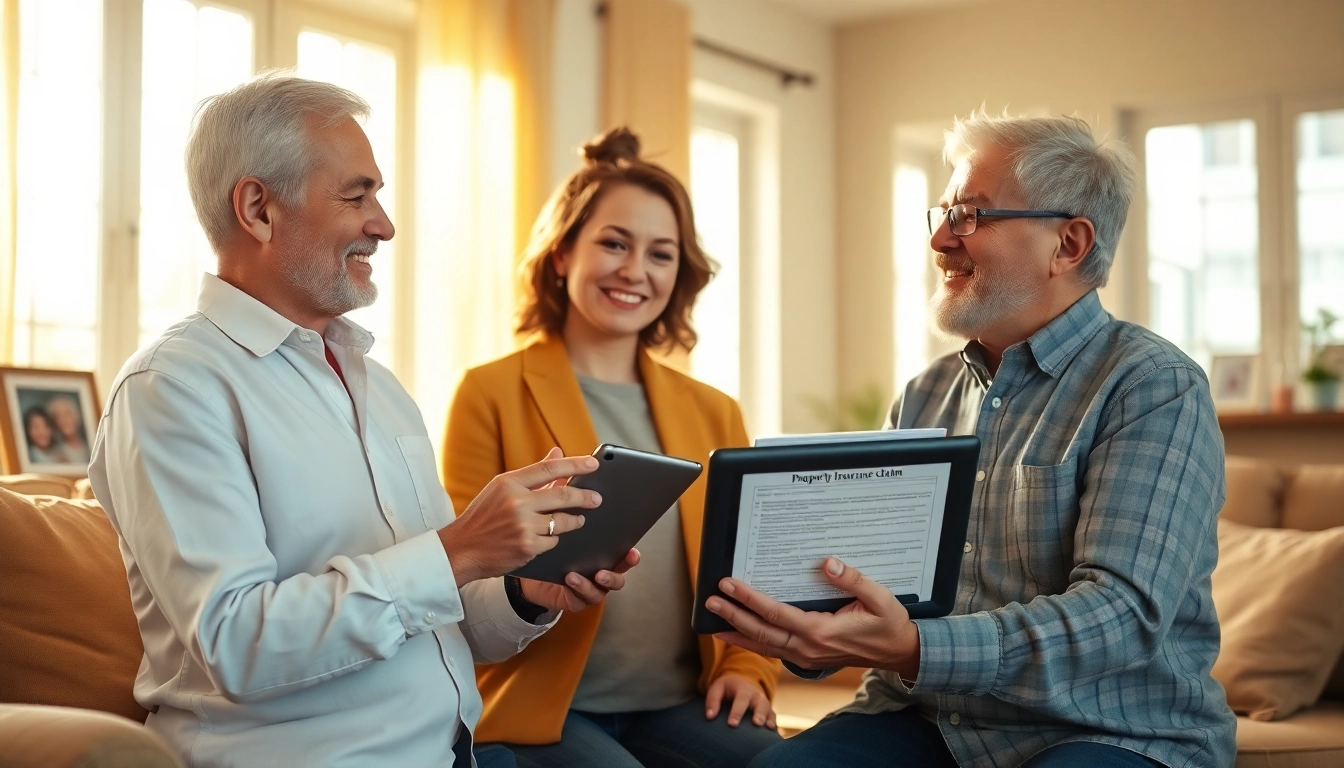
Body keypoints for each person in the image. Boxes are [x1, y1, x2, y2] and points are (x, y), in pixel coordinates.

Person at [87, 73, 637, 768]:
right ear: (258, 208)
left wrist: (529, 594)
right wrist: (458, 548)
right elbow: (238, 643)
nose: (385, 224)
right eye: (358, 195)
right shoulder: (173, 388)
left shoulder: (379, 386)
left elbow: (446, 620)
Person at [707, 113, 1237, 767]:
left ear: (1068, 244)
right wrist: (807, 631)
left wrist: (915, 649)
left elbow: (1121, 616)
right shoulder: (925, 395)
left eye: (969, 215)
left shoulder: (1153, 387)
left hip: (1110, 730)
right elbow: (877, 592)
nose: (938, 238)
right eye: (944, 212)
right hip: (926, 719)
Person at [443, 127, 782, 768]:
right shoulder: (488, 392)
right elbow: (460, 574)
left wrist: (748, 668)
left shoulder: (715, 409)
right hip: (543, 705)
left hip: (684, 701)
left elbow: (751, 565)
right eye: (614, 243)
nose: (635, 271)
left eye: (661, 253)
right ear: (564, 253)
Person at [45, 395, 90, 465]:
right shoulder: (55, 453)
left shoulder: (90, 444)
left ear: (76, 416)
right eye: (58, 417)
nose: (63, 420)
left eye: (67, 414)